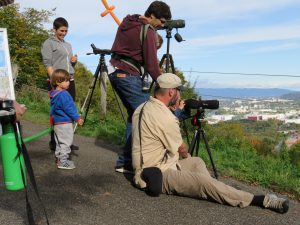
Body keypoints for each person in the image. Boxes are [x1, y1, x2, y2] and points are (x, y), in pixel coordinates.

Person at [132, 73, 289, 214]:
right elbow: (181, 147)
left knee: (197, 162)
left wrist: (174, 112)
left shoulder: (143, 107)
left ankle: (218, 191)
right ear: (172, 92)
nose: (180, 95)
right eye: (179, 91)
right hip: (157, 172)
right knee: (203, 181)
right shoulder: (165, 117)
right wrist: (185, 154)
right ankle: (260, 200)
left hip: (154, 162)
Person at [109, 1, 172, 173]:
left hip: (115, 72)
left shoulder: (128, 23)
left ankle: (126, 162)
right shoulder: (148, 31)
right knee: (146, 114)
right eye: (161, 21)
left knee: (134, 116)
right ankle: (135, 161)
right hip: (128, 75)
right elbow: (152, 65)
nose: (162, 25)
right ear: (152, 16)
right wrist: (166, 86)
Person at [41, 17, 78, 151]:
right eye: (61, 30)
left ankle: (67, 141)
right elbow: (48, 64)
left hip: (70, 82)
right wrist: (55, 82)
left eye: (66, 31)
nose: (64, 33)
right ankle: (54, 141)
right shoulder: (48, 43)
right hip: (57, 82)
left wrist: (73, 61)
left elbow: (69, 64)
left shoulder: (68, 45)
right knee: (58, 112)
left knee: (69, 110)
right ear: (54, 29)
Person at [49, 69, 83, 170]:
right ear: (57, 82)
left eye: (68, 80)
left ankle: (59, 159)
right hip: (65, 123)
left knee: (59, 142)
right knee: (66, 142)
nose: (68, 83)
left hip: (57, 123)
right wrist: (77, 118)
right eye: (65, 81)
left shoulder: (54, 94)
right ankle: (63, 162)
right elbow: (69, 108)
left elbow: (53, 110)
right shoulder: (64, 94)